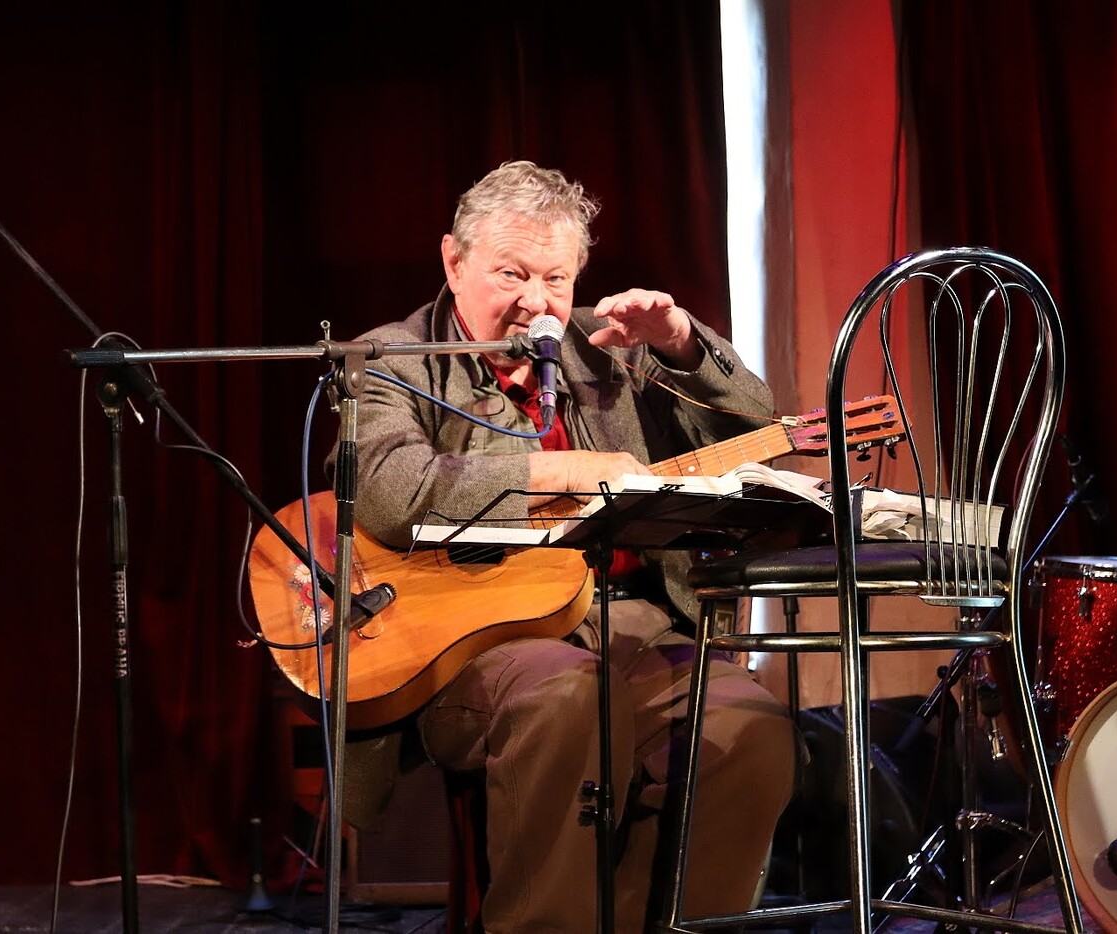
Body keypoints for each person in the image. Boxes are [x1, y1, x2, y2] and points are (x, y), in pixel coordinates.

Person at [332, 161, 797, 933]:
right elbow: (387, 489)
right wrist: (555, 470)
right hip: (475, 641)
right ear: (454, 260)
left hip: (630, 625)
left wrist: (682, 344)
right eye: (511, 273)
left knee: (749, 729)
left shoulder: (612, 348)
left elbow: (757, 429)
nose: (535, 302)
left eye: (555, 279)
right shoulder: (389, 358)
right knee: (567, 699)